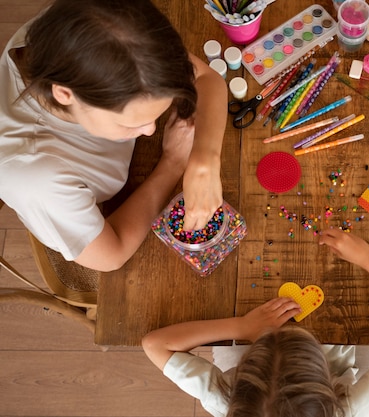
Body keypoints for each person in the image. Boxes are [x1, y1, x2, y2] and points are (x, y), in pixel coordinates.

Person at [0, 0, 227, 271]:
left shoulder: (96, 22)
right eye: (131, 123)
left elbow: (206, 77)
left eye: (155, 115)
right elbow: (111, 255)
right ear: (64, 94)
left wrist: (206, 159)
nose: (150, 130)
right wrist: (172, 163)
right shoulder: (36, 179)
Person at [142, 228, 369, 417]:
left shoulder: (225, 402)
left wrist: (242, 328)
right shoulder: (349, 408)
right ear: (329, 390)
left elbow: (155, 345)